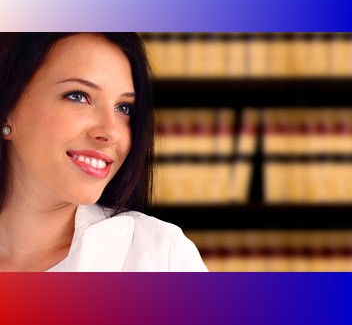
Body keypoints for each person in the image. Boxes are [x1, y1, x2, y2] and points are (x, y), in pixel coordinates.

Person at [0, 33, 208, 271]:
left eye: (124, 108)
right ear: (7, 108)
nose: (111, 132)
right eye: (78, 96)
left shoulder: (160, 257)